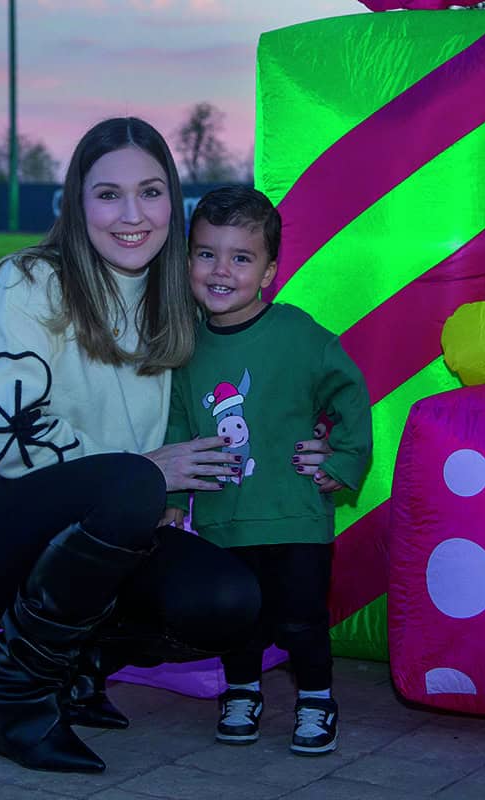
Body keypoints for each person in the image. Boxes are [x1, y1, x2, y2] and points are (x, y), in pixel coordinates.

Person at [0, 118, 335, 775]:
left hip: (106, 523)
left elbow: (247, 389)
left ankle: (79, 667)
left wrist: (308, 437)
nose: (132, 214)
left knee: (229, 601)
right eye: (108, 194)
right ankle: (13, 696)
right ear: (77, 204)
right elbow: (4, 432)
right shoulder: (25, 286)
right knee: (137, 486)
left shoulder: (176, 307)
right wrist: (143, 471)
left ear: (174, 201)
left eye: (150, 191)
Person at [161, 186, 372, 756]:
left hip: (296, 515)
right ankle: (242, 690)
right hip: (225, 516)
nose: (221, 270)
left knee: (302, 620)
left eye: (241, 257)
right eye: (206, 254)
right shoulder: (187, 345)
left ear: (269, 271)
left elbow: (350, 393)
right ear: (187, 262)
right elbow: (179, 423)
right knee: (240, 618)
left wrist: (343, 460)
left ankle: (316, 700)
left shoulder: (300, 335)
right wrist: (175, 498)